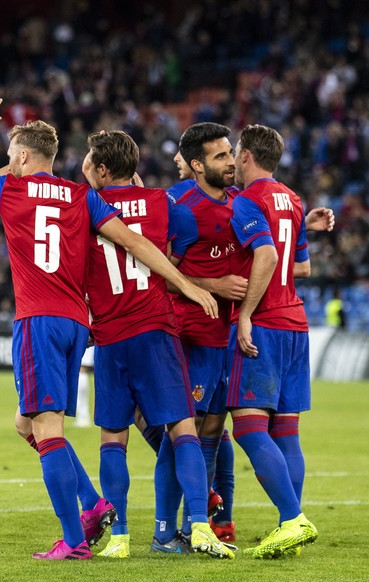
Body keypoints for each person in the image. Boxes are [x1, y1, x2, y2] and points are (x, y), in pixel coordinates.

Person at [0, 96, 223, 560]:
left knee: (50, 430)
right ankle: (95, 505)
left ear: (25, 157)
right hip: (78, 325)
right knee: (27, 422)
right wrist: (185, 284)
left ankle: (75, 539)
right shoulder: (82, 197)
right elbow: (134, 241)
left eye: (13, 155)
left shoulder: (11, 190)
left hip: (39, 320)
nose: (9, 162)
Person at [76, 130, 233, 559]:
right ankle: (200, 526)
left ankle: (121, 537)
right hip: (157, 331)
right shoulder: (167, 204)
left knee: (114, 437)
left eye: (91, 162)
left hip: (110, 336)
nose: (86, 167)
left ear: (102, 169)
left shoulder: (83, 207)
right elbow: (176, 250)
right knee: (184, 430)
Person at [227, 124, 320, 558]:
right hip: (296, 323)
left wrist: (244, 313)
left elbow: (265, 254)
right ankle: (292, 528)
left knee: (247, 427)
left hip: (263, 323)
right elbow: (299, 268)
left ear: (246, 155)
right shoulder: (293, 199)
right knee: (286, 430)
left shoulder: (247, 200)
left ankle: (291, 518)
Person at [160, 122, 246, 546]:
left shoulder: (240, 203)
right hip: (185, 330)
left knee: (215, 425)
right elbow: (161, 271)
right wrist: (215, 285)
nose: (231, 162)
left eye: (230, 153)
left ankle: (212, 518)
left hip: (226, 332)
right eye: (220, 156)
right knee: (184, 426)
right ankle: (174, 526)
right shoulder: (178, 205)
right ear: (196, 165)